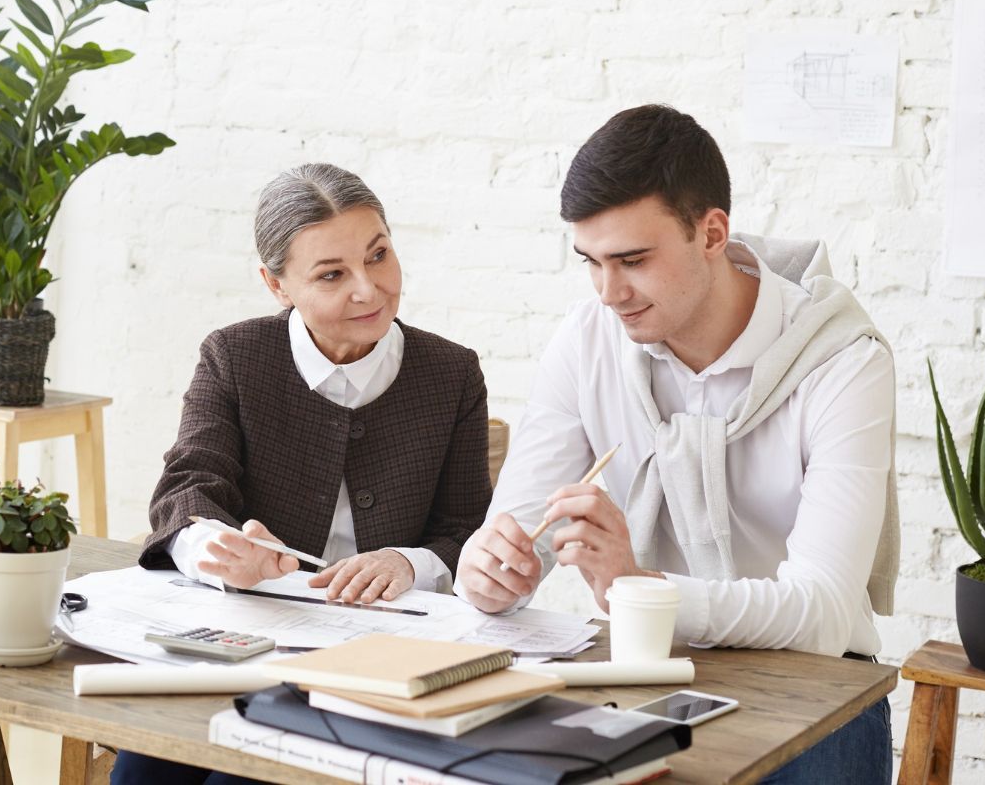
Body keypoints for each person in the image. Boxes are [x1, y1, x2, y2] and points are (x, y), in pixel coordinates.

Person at [455, 105, 899, 784]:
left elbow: (827, 613)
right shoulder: (587, 341)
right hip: (644, 676)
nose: (609, 293)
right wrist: (489, 574)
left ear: (711, 232)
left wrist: (642, 589)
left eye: (632, 260)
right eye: (591, 262)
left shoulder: (841, 362)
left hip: (815, 689)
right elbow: (514, 543)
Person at [112, 162, 492, 785]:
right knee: (144, 767)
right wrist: (220, 546)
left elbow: (467, 528)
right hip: (245, 638)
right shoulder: (234, 357)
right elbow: (188, 486)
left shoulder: (451, 374)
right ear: (276, 284)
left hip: (378, 660)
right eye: (332, 274)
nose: (369, 290)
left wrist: (405, 563)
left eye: (379, 255)